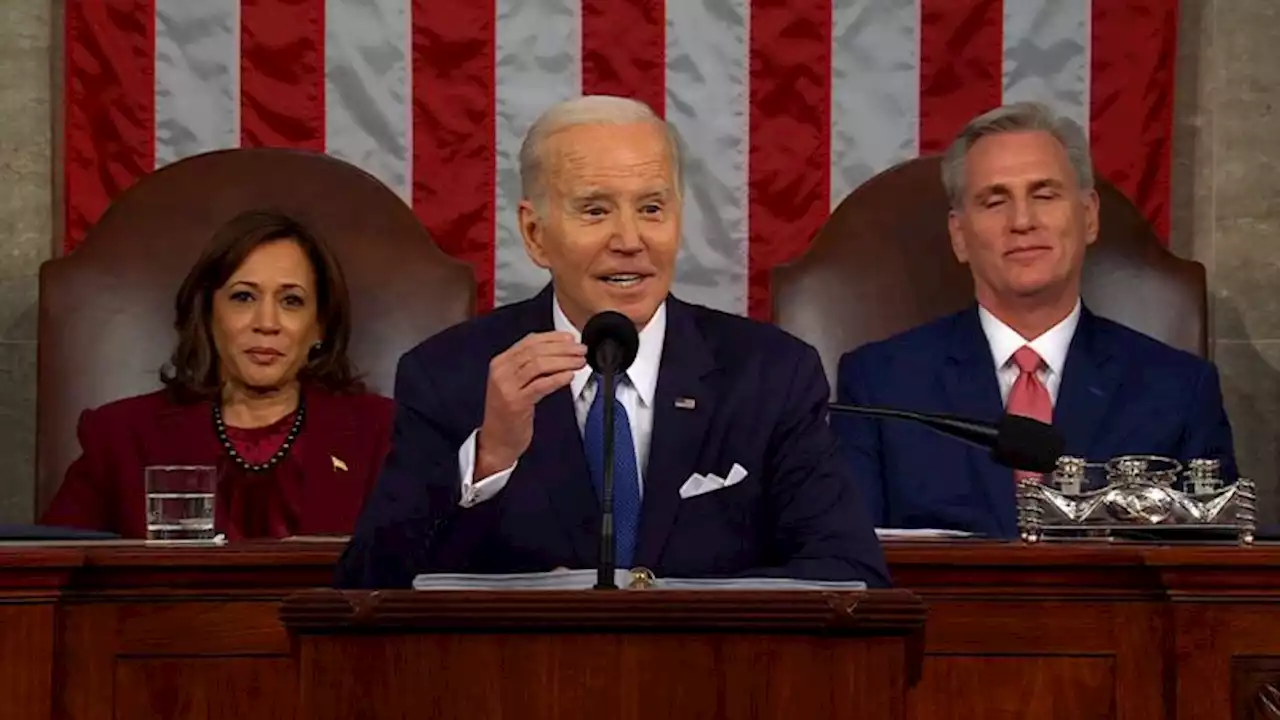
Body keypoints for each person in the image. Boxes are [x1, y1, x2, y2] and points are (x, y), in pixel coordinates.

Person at [335, 95, 889, 588]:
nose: (630, 240)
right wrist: (489, 457)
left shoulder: (770, 373)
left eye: (652, 208)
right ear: (535, 234)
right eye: (595, 210)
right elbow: (369, 586)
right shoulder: (449, 375)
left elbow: (849, 574)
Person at [833, 102, 1237, 538]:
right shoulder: (881, 386)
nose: (1022, 222)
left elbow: (1211, 576)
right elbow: (854, 570)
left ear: (1088, 217)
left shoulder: (1179, 389)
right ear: (959, 235)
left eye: (1044, 195)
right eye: (994, 201)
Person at [42, 210, 395, 539]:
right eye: (243, 297)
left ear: (320, 326)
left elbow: (421, 577)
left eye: (291, 301)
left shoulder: (382, 432)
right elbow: (53, 579)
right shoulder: (121, 437)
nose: (266, 323)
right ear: (208, 315)